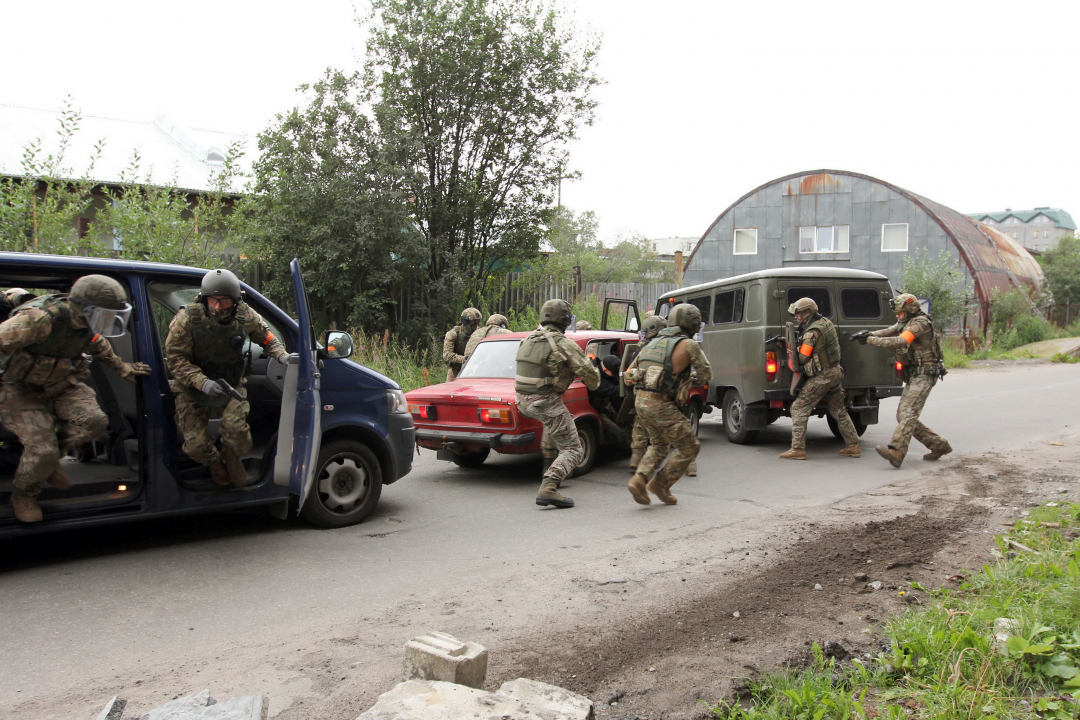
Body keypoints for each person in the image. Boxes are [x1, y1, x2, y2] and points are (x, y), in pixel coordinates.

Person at [0, 275, 151, 522]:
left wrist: (122, 368)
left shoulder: (87, 324)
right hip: (20, 388)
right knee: (41, 449)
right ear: (84, 308)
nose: (107, 321)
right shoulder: (40, 320)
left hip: (62, 384)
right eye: (104, 315)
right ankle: (23, 495)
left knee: (94, 421)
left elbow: (97, 344)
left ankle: (50, 461)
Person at [165, 269, 292, 487]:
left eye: (223, 301)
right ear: (205, 299)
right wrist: (201, 382)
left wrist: (282, 355)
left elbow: (267, 337)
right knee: (195, 446)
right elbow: (175, 359)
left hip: (230, 383)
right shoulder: (187, 318)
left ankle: (231, 457)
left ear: (234, 300)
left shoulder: (245, 315)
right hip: (192, 386)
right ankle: (215, 463)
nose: (217, 307)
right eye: (213, 300)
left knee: (238, 437)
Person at [624, 303, 712, 505]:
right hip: (661, 404)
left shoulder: (651, 343)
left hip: (641, 402)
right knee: (690, 447)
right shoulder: (689, 345)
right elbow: (707, 374)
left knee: (659, 444)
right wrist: (689, 378)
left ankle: (639, 479)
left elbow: (630, 372)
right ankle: (661, 484)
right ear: (693, 324)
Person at [515, 298, 600, 509]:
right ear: (564, 320)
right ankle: (549, 486)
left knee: (555, 425)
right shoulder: (563, 343)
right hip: (545, 401)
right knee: (574, 449)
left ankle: (548, 462)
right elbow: (594, 381)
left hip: (521, 401)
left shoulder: (528, 340)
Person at [853, 293, 951, 468]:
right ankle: (939, 445)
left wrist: (871, 340)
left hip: (925, 374)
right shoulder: (907, 321)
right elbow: (891, 329)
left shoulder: (919, 323)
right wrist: (868, 333)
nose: (898, 316)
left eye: (900, 313)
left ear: (910, 310)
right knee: (903, 415)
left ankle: (897, 451)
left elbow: (900, 341)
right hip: (915, 375)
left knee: (908, 414)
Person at [779, 297, 861, 460]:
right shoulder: (825, 323)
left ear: (807, 312)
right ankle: (853, 445)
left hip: (823, 376)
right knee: (838, 409)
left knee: (799, 407)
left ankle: (798, 449)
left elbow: (802, 358)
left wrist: (791, 348)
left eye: (799, 314)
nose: (797, 317)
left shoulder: (812, 332)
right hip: (835, 372)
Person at [442, 308, 482, 381]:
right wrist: (464, 359)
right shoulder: (453, 334)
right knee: (451, 390)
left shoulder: (479, 334)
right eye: (473, 322)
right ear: (465, 321)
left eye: (477, 322)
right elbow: (447, 355)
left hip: (474, 370)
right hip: (456, 370)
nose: (476, 325)